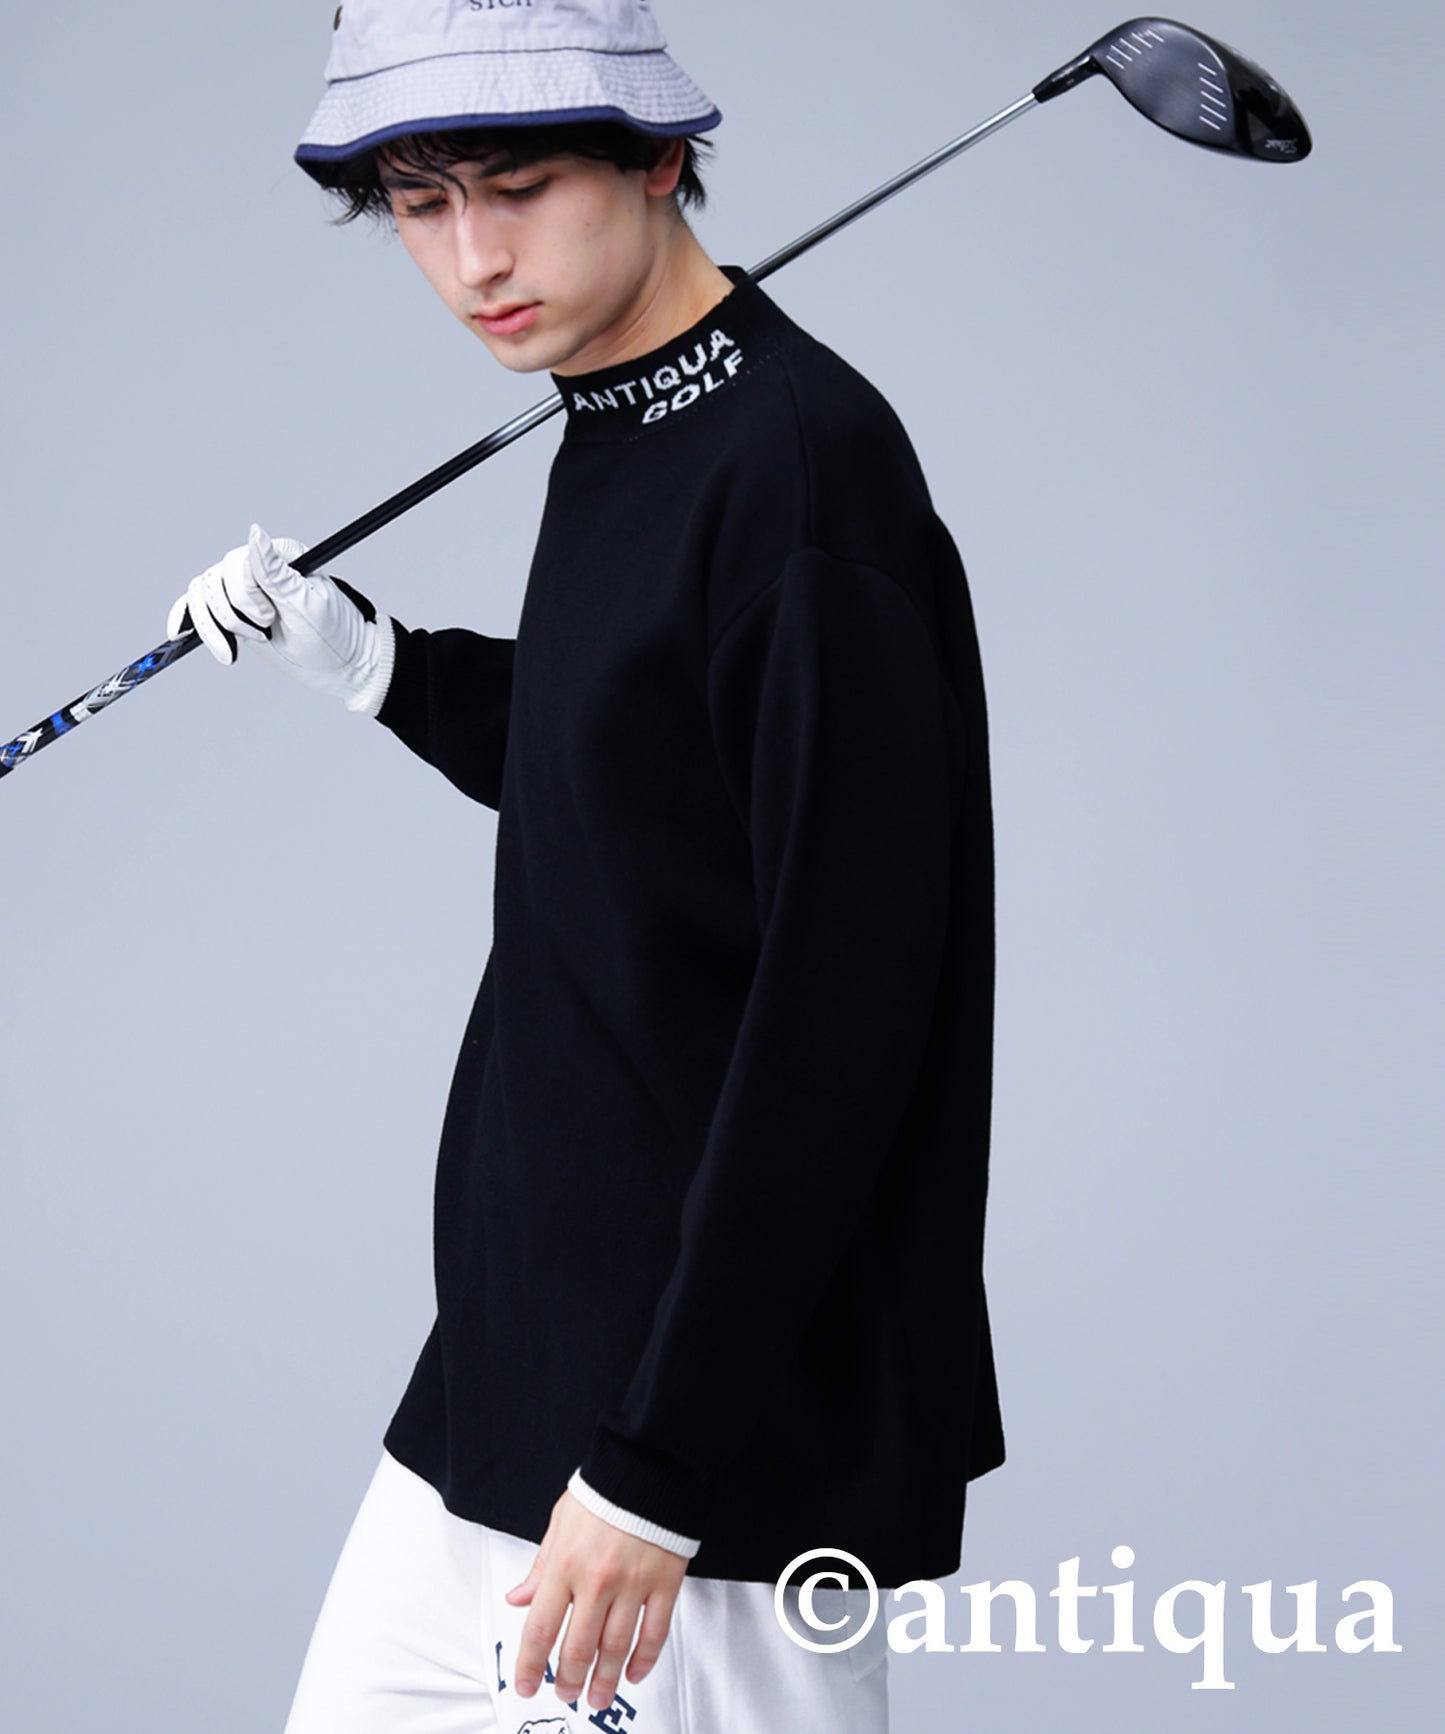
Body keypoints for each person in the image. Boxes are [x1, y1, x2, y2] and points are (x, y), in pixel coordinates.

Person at [169, 2, 1005, 1728]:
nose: (473, 258)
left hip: (703, 1449)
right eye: (420, 205)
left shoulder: (801, 473)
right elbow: (634, 775)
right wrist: (372, 659)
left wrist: (655, 1467)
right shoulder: (627, 420)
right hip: (516, 1364)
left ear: (660, 159)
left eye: (520, 187)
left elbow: (843, 1012)